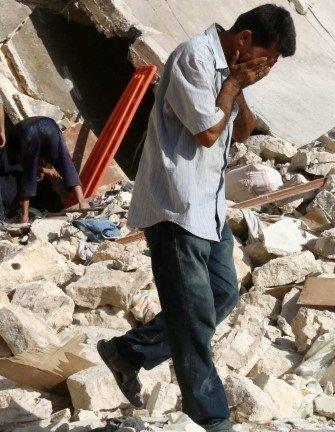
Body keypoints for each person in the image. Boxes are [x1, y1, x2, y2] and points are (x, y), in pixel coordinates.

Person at [96, 5, 296, 431]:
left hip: (210, 207)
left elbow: (242, 131)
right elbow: (206, 133)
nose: (268, 68)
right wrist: (233, 83)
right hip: (176, 206)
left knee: (222, 294)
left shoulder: (229, 69)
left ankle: (127, 353)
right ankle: (210, 417)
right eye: (268, 58)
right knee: (193, 314)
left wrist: (239, 85)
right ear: (244, 39)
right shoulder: (194, 58)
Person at [0, 106, 90, 222]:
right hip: (50, 125)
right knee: (65, 161)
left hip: (30, 133)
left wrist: (39, 170)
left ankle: (25, 217)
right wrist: (44, 170)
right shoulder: (18, 143)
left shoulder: (10, 147)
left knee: (29, 177)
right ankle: (82, 202)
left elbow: (27, 170)